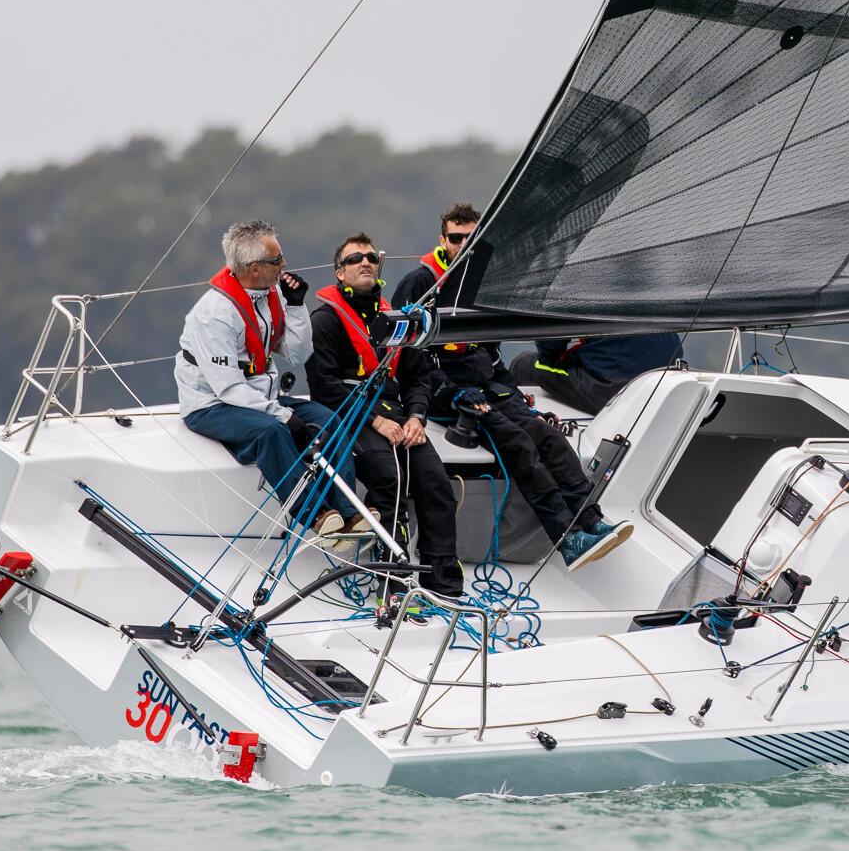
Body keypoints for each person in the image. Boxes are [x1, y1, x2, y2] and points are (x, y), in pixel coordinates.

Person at [392, 204, 632, 567]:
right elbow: (408, 358)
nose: (463, 245)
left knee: (549, 438)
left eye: (471, 238)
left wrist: (511, 389)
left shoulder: (483, 285)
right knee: (518, 444)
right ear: (443, 241)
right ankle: (567, 539)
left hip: (486, 384)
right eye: (456, 238)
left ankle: (591, 519)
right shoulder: (420, 283)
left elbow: (491, 352)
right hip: (448, 391)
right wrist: (452, 392)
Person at [306, 233, 464, 597]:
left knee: (437, 484)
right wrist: (375, 420)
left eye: (370, 258)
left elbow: (418, 377)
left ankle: (443, 585)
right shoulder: (324, 321)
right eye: (354, 259)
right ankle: (394, 585)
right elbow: (324, 387)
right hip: (352, 416)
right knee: (389, 480)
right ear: (340, 273)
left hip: (399, 416)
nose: (364, 262)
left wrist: (417, 417)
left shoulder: (395, 319)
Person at [176, 219, 357, 538]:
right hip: (211, 404)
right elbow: (229, 389)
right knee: (272, 431)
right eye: (277, 260)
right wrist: (284, 415)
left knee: (330, 420)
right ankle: (316, 515)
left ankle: (349, 512)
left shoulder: (270, 296)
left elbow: (298, 354)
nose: (284, 265)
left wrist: (297, 306)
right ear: (254, 268)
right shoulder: (214, 314)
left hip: (260, 396)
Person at [511, 332, 682, 414]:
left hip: (609, 389)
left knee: (523, 363)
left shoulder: (582, 284)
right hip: (664, 383)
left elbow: (551, 346)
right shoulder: (657, 281)